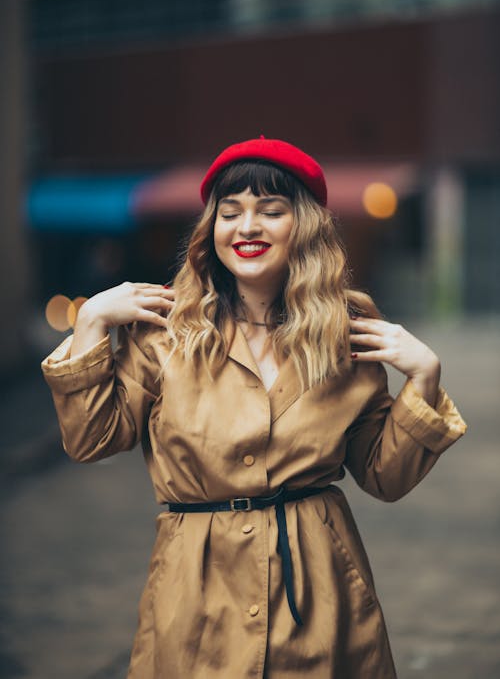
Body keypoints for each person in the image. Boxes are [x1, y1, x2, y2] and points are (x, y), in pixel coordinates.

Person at [41, 136, 467, 678]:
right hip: (194, 595)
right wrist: (90, 327)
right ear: (211, 228)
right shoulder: (166, 334)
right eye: (231, 212)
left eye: (271, 211)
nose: (247, 228)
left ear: (305, 226)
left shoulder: (346, 336)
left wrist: (424, 379)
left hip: (318, 591)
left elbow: (385, 477)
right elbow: (90, 440)